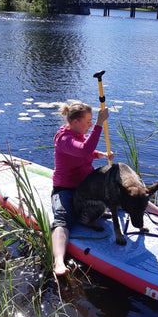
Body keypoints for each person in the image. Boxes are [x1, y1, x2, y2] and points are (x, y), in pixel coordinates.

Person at [51, 101, 112, 275]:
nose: (91, 124)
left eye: (93, 121)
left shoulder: (78, 134)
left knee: (118, 186)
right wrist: (100, 124)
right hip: (65, 189)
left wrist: (99, 154)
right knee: (62, 219)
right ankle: (58, 262)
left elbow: (86, 151)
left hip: (85, 186)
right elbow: (83, 150)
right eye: (88, 121)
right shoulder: (64, 139)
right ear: (76, 122)